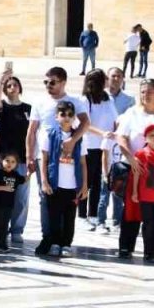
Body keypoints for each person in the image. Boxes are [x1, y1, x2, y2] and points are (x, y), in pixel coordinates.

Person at [25, 66, 90, 248]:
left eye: (52, 82)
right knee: (46, 195)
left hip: (69, 158)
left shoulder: (74, 101)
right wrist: (29, 156)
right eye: (46, 82)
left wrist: (72, 141)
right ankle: (48, 237)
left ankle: (63, 240)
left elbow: (86, 123)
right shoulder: (39, 102)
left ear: (63, 82)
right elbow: (32, 131)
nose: (48, 85)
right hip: (45, 156)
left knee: (67, 200)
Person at [37, 101, 88, 257]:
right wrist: (44, 181)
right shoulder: (49, 134)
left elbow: (83, 163)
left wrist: (84, 185)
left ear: (74, 118)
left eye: (70, 115)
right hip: (55, 184)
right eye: (63, 114)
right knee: (54, 216)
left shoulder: (79, 138)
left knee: (69, 217)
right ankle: (54, 242)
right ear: (56, 117)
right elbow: (44, 160)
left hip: (72, 186)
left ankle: (66, 244)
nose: (66, 117)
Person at [0, 71, 32, 244]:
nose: (12, 87)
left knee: (21, 197)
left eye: (15, 85)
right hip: (5, 158)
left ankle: (17, 229)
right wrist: (1, 82)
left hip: (22, 159)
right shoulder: (3, 107)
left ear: (20, 88)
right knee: (2, 194)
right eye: (9, 86)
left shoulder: (28, 109)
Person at [81, 69, 118, 226]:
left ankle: (93, 214)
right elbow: (85, 124)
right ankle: (82, 215)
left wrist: (115, 132)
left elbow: (115, 118)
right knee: (85, 181)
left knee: (98, 182)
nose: (108, 81)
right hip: (89, 146)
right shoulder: (85, 100)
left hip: (104, 146)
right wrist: (102, 133)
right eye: (105, 79)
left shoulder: (107, 98)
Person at [117, 123, 154, 261]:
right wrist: (134, 192)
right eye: (151, 136)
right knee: (146, 223)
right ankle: (145, 252)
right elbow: (136, 174)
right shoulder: (141, 153)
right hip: (144, 195)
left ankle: (151, 251)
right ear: (145, 138)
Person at [0, 152, 24, 252]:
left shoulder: (15, 175)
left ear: (16, 164)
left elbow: (24, 180)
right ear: (1, 161)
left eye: (13, 162)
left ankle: (2, 244)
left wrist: (30, 172)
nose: (9, 163)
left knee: (4, 225)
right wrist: (4, 188)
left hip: (9, 205)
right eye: (7, 160)